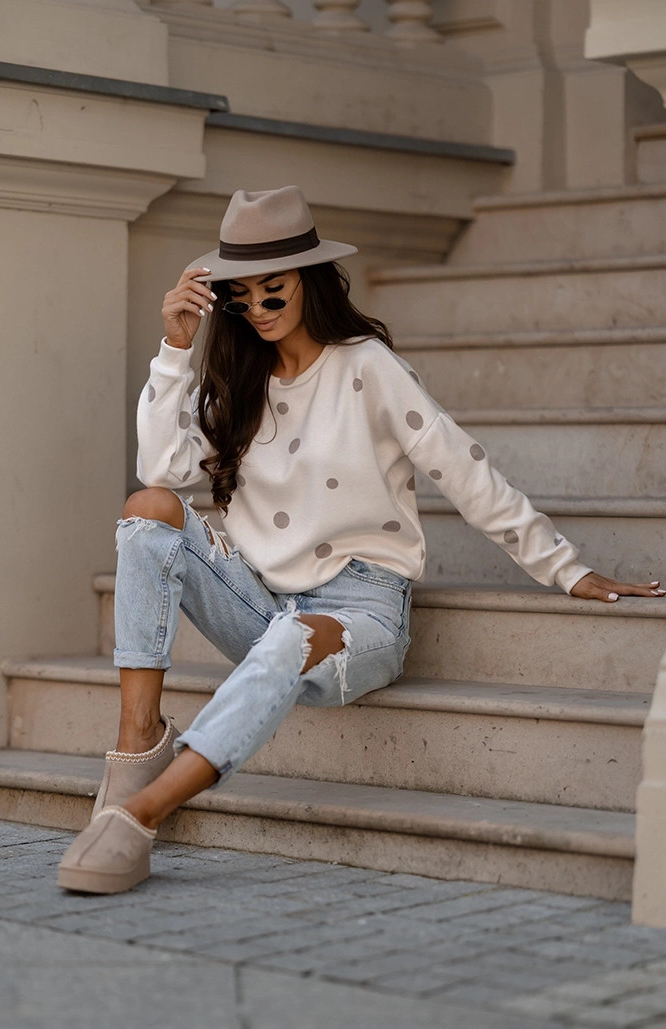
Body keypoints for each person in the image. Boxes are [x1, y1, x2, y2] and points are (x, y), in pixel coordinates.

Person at [57, 185, 664, 895]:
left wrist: (565, 568)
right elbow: (161, 470)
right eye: (239, 297)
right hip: (259, 602)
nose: (258, 309)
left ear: (310, 280)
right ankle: (137, 746)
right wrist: (175, 349)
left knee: (287, 639)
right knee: (148, 511)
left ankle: (138, 815)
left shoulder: (367, 366)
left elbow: (462, 467)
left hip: (359, 612)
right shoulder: (237, 379)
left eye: (273, 290)